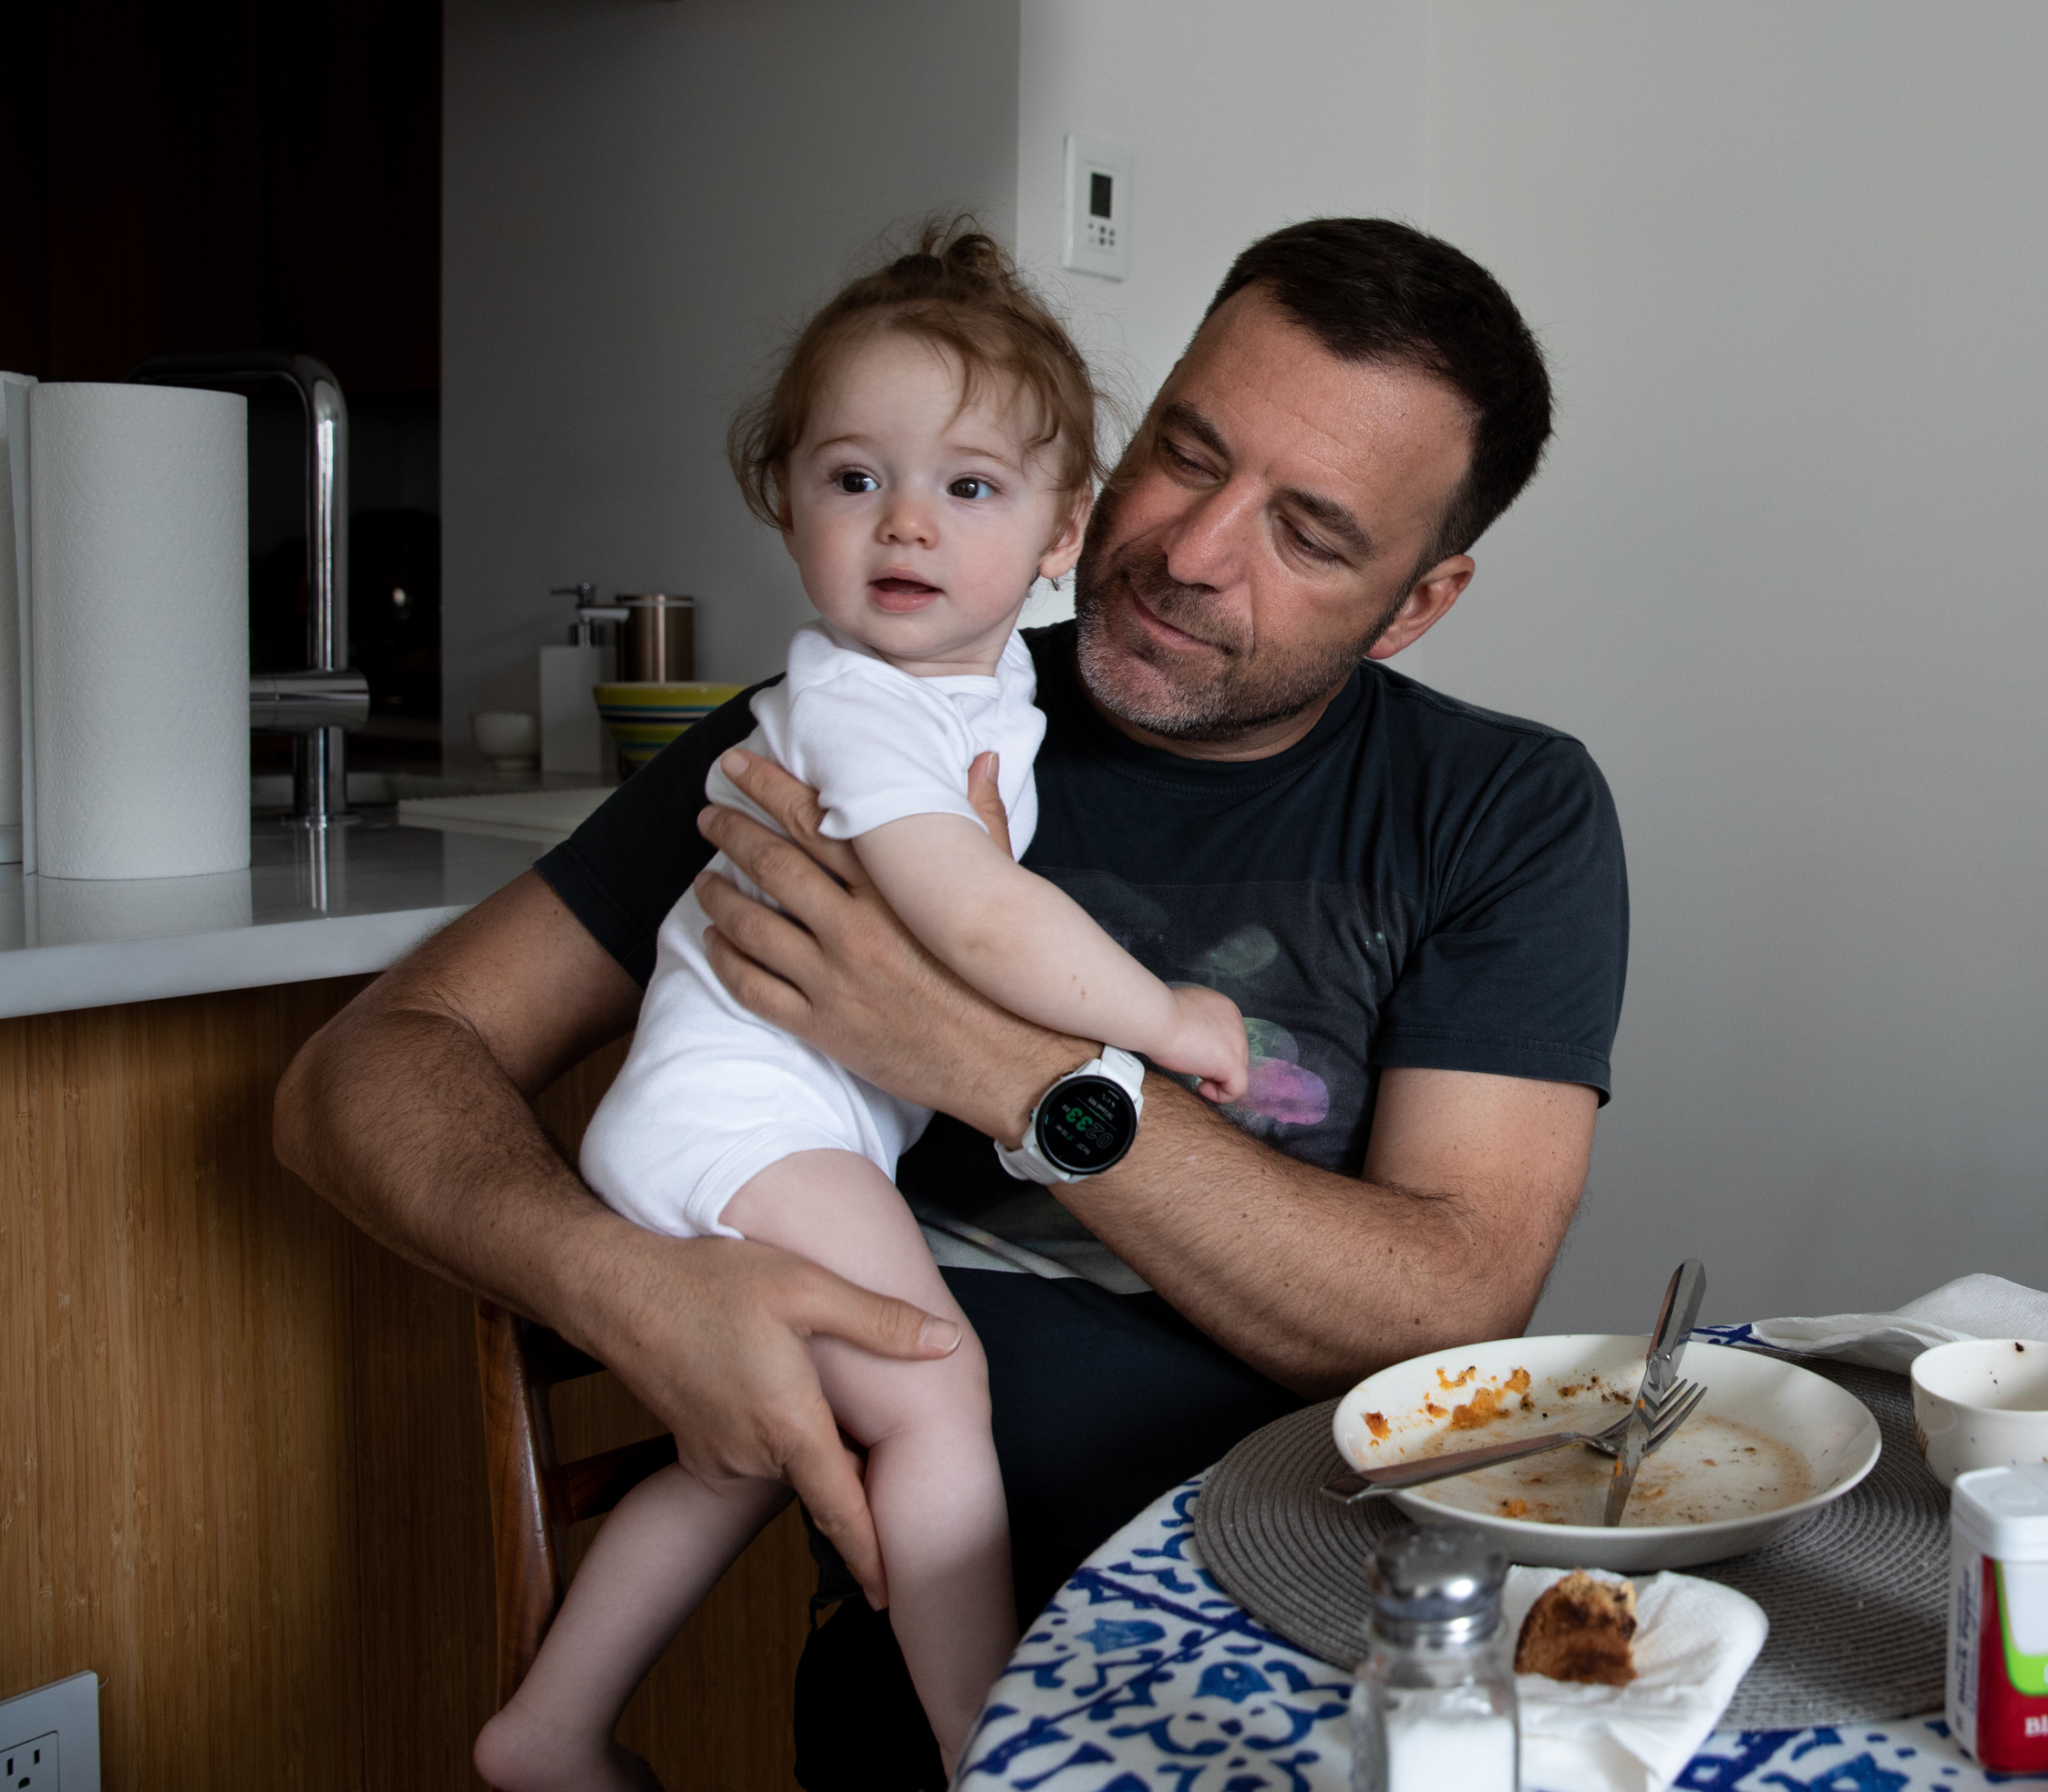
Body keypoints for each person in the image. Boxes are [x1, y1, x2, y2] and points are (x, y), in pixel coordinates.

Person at [275, 216, 1626, 1788]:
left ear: (1415, 603)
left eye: (1310, 535)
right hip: (936, 1664)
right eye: (1186, 454)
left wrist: (994, 1063)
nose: (1194, 551)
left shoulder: (1498, 809)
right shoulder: (871, 709)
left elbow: (1444, 1308)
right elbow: (363, 1072)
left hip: (1318, 1649)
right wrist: (624, 1286)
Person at [475, 229, 1252, 1791]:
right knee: (933, 1385)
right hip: (746, 1123)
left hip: (748, 1122)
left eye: (969, 486)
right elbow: (970, 916)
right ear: (783, 502)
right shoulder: (859, 702)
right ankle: (990, 1748)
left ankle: (547, 1729)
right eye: (851, 479)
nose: (905, 520)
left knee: (744, 1448)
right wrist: (1159, 1021)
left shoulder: (985, 692)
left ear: (1061, 529)